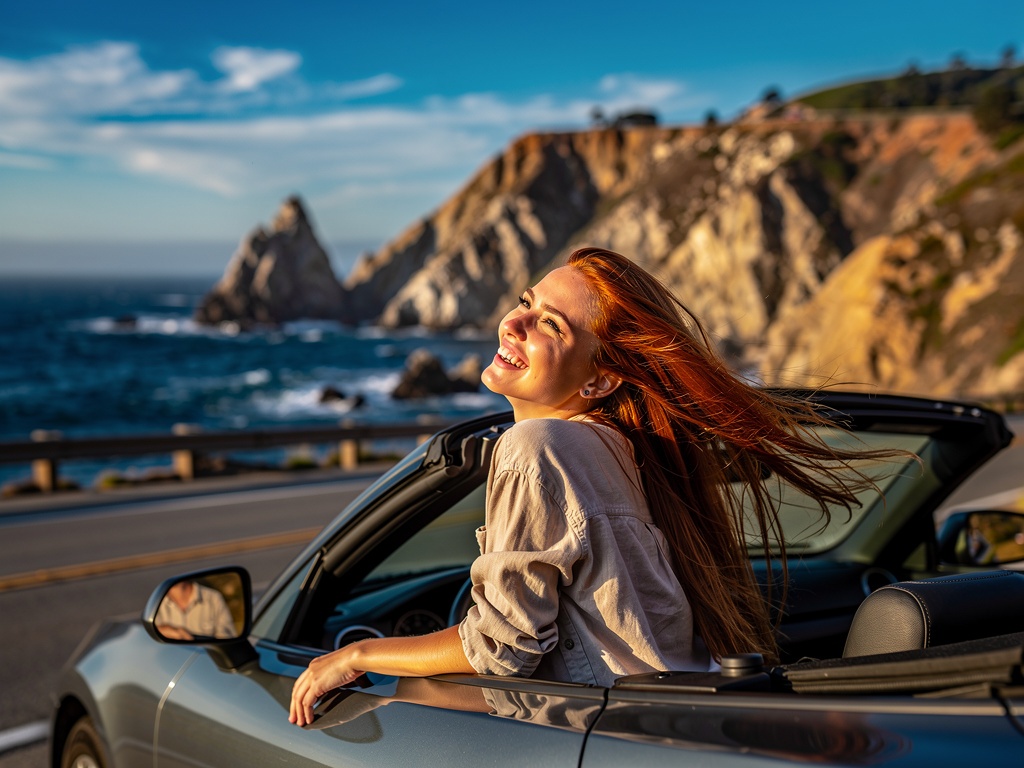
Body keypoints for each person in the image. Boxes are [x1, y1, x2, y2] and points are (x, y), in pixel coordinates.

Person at [289, 247, 898, 726]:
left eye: (548, 324)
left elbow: (501, 650)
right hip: (689, 718)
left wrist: (354, 655)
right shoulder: (622, 451)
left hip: (613, 730)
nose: (514, 322)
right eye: (527, 301)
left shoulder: (535, 449)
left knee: (404, 698)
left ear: (603, 381)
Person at [156, 578, 236, 641]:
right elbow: (147, 631)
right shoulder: (157, 602)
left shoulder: (213, 598)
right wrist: (168, 631)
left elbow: (227, 637)